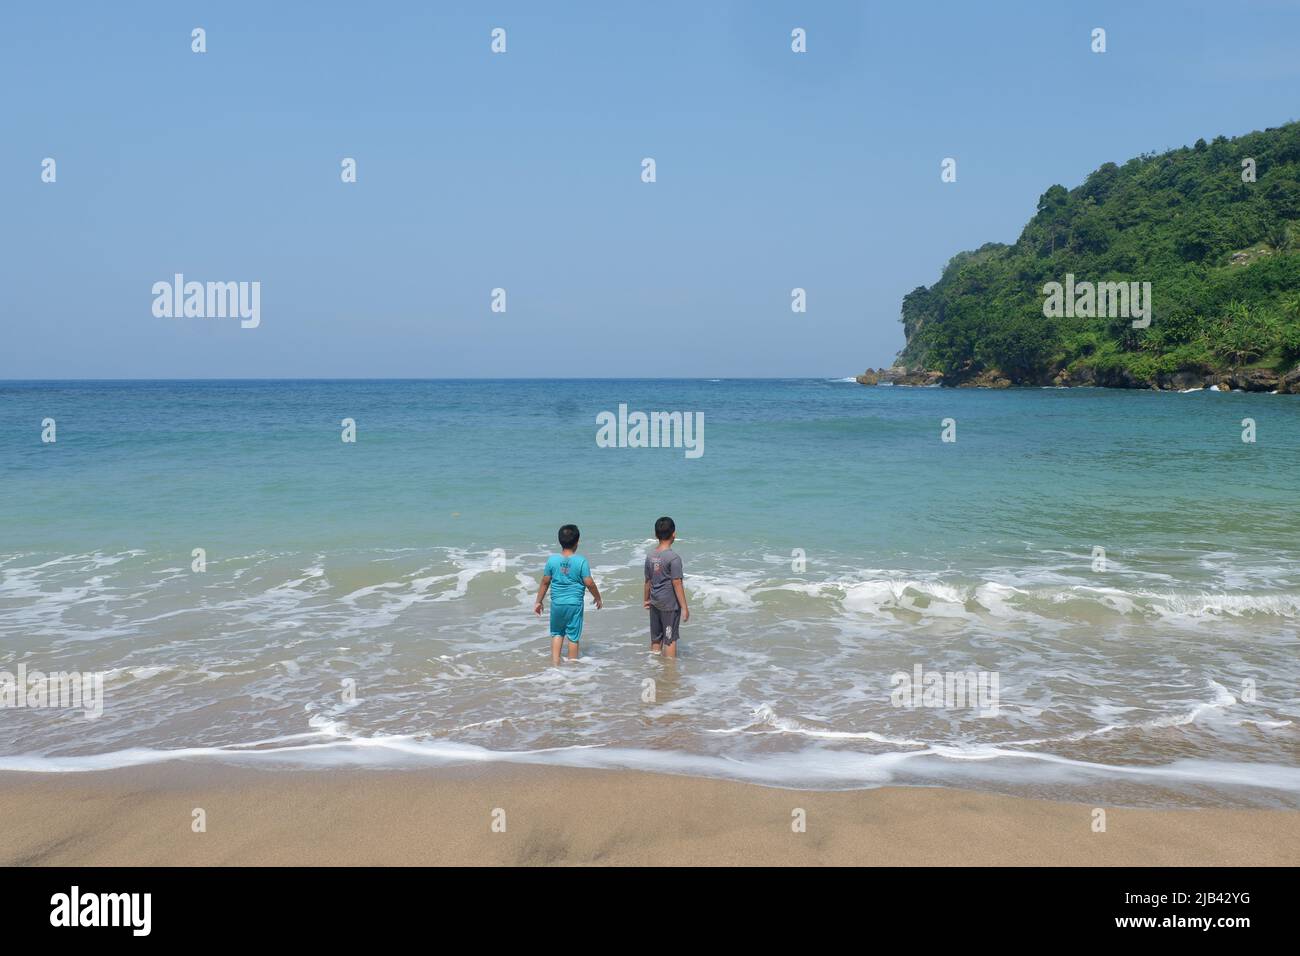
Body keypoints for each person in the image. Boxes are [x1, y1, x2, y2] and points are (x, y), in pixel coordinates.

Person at [534, 524, 602, 663]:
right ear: (577, 542)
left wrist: (538, 601)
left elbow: (545, 582)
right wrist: (598, 597)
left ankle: (555, 665)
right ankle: (572, 668)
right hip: (574, 605)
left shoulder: (552, 560)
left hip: (557, 604)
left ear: (560, 541)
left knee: (557, 633)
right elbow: (589, 582)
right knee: (573, 637)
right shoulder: (581, 561)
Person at [643, 516, 688, 657]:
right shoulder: (674, 558)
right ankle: (669, 673)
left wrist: (646, 599)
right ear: (674, 534)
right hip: (669, 606)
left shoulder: (650, 556)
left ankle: (655, 666)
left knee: (656, 638)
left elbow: (647, 581)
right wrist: (685, 607)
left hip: (654, 602)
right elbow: (677, 583)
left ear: (656, 535)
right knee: (670, 639)